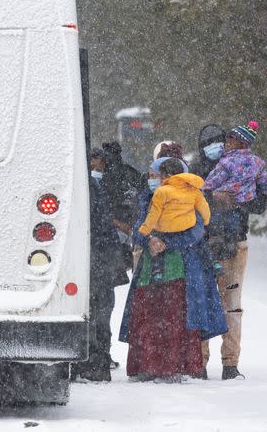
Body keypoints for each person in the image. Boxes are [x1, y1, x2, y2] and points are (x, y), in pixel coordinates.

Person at [120, 156, 226, 381]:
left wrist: (166, 243)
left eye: (154, 176)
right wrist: (149, 240)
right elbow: (139, 228)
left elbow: (197, 232)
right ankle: (148, 367)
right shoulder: (149, 197)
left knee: (174, 317)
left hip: (181, 268)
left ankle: (174, 367)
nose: (151, 180)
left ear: (167, 177)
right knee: (148, 317)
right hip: (150, 270)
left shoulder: (189, 196)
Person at [201, 120, 267, 380]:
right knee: (218, 302)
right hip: (211, 243)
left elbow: (206, 189)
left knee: (223, 304)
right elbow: (265, 191)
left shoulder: (221, 166)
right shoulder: (255, 163)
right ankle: (210, 362)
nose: (219, 146)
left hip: (223, 242)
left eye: (225, 141)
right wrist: (247, 197)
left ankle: (226, 363)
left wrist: (225, 200)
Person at [72, 153, 129, 382]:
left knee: (90, 311)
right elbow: (103, 223)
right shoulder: (93, 186)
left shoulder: (82, 186)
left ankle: (86, 363)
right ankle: (99, 363)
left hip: (88, 258)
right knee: (101, 311)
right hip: (100, 257)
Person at [138, 159, 211, 282]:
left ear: (167, 176)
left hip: (167, 232)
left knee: (159, 248)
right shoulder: (193, 189)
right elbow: (204, 207)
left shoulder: (161, 191)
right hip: (186, 227)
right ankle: (212, 262)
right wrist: (206, 220)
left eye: (157, 176)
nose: (157, 181)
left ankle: (157, 270)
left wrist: (145, 231)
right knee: (203, 245)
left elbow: (153, 215)